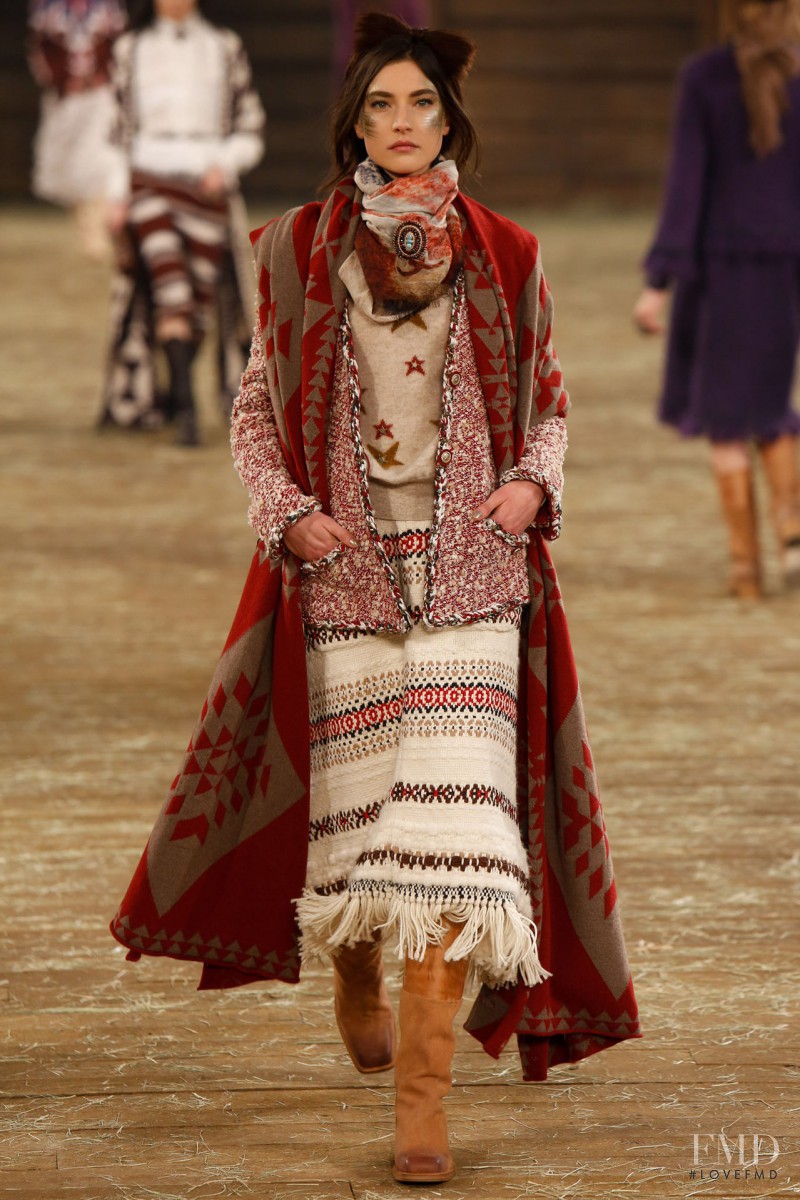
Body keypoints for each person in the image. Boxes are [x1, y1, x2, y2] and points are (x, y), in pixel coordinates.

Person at [110, 12, 640, 1185]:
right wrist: (284, 511)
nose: (402, 125)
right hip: (345, 568)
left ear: (450, 122)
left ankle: (423, 1102)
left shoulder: (505, 250)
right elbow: (256, 407)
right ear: (354, 121)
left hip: (469, 572)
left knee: (453, 843)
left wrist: (524, 486)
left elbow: (549, 403)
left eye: (421, 107)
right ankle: (353, 965)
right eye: (381, 108)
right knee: (359, 850)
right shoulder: (297, 248)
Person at [634, 0, 800, 599]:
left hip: (720, 277)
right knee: (769, 401)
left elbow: (687, 184)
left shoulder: (704, 78)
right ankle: (791, 524)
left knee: (728, 421)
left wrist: (658, 282)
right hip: (783, 272)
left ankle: (745, 572)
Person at [98, 0, 265, 444]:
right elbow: (114, 131)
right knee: (172, 286)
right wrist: (116, 195)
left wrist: (225, 164)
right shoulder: (129, 48)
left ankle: (175, 395)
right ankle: (188, 413)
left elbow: (250, 127)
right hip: (147, 178)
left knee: (198, 300)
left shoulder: (224, 46)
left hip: (205, 184)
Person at [28, 0, 127, 259]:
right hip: (63, 99)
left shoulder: (108, 6)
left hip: (100, 95)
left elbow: (119, 44)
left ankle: (98, 231)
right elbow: (39, 49)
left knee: (99, 160)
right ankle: (85, 228)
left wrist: (104, 76)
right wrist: (61, 80)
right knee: (68, 167)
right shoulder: (46, 7)